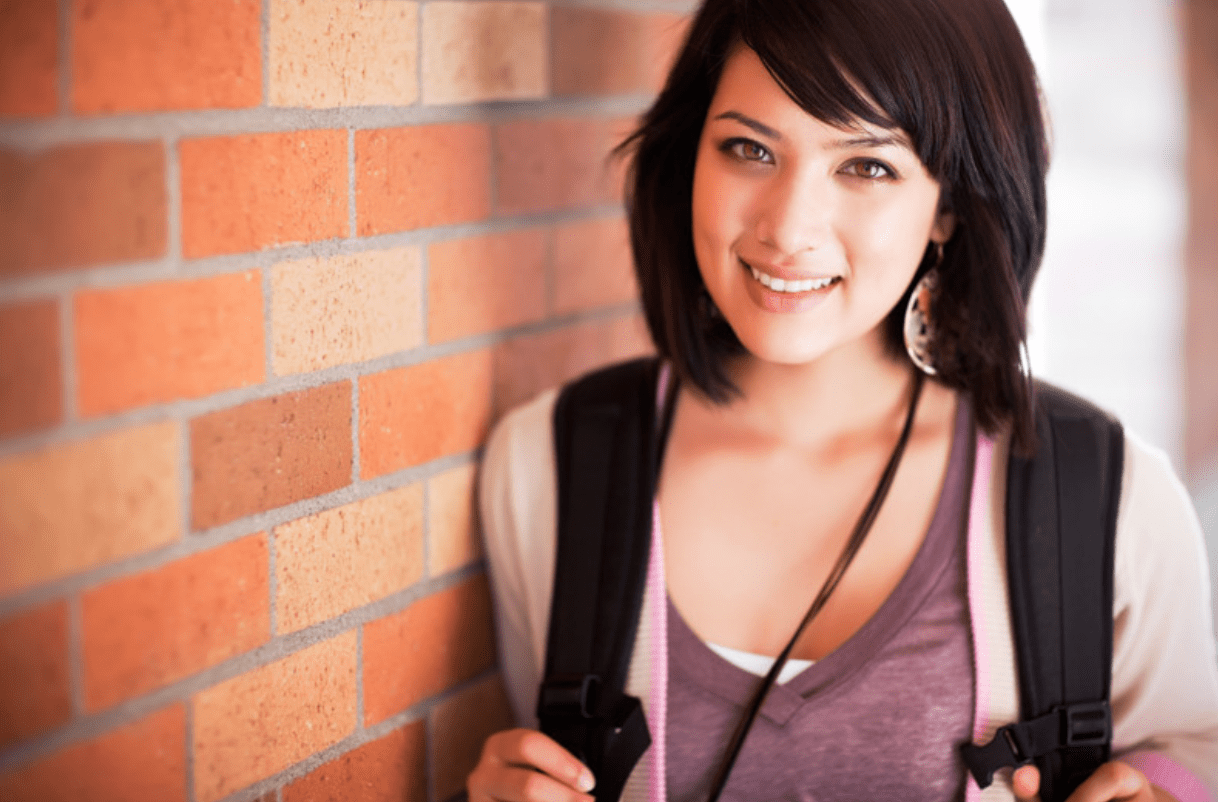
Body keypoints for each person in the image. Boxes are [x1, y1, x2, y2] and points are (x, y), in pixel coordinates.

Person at [469, 0, 1218, 799]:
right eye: (749, 148)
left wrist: (1161, 785)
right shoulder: (548, 470)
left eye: (866, 167)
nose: (789, 227)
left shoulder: (1105, 497)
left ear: (949, 208)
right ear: (691, 155)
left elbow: (1195, 747)